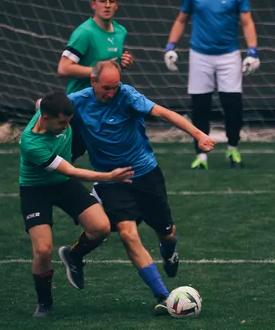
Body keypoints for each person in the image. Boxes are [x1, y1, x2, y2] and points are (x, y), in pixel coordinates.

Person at [66, 61, 216, 314]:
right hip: (111, 180)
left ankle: (169, 253)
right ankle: (164, 296)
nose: (112, 93)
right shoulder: (76, 101)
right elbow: (46, 108)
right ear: (92, 82)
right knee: (128, 234)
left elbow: (166, 114)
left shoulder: (128, 96)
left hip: (145, 174)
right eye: (106, 88)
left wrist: (198, 134)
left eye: (115, 87)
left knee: (167, 233)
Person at [21, 91, 134, 318]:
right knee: (43, 250)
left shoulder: (46, 107)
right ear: (45, 118)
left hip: (63, 184)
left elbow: (39, 102)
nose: (66, 127)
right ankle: (44, 303)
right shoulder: (31, 143)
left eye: (68, 122)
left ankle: (74, 256)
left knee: (101, 227)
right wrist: (109, 176)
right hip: (35, 189)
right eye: (62, 123)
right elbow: (72, 170)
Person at [163, 0, 260, 169]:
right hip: (200, 56)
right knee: (200, 108)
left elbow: (247, 22)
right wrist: (170, 46)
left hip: (229, 56)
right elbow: (181, 20)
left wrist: (252, 51)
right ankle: (201, 156)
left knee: (233, 106)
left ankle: (233, 149)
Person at [57, 0, 134, 162]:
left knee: (113, 153)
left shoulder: (121, 31)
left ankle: (111, 188)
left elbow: (112, 64)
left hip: (106, 104)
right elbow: (64, 67)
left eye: (111, 1)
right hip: (81, 104)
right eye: (102, 1)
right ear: (93, 4)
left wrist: (124, 61)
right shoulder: (84, 33)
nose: (107, 5)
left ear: (116, 5)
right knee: (69, 155)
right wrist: (97, 71)